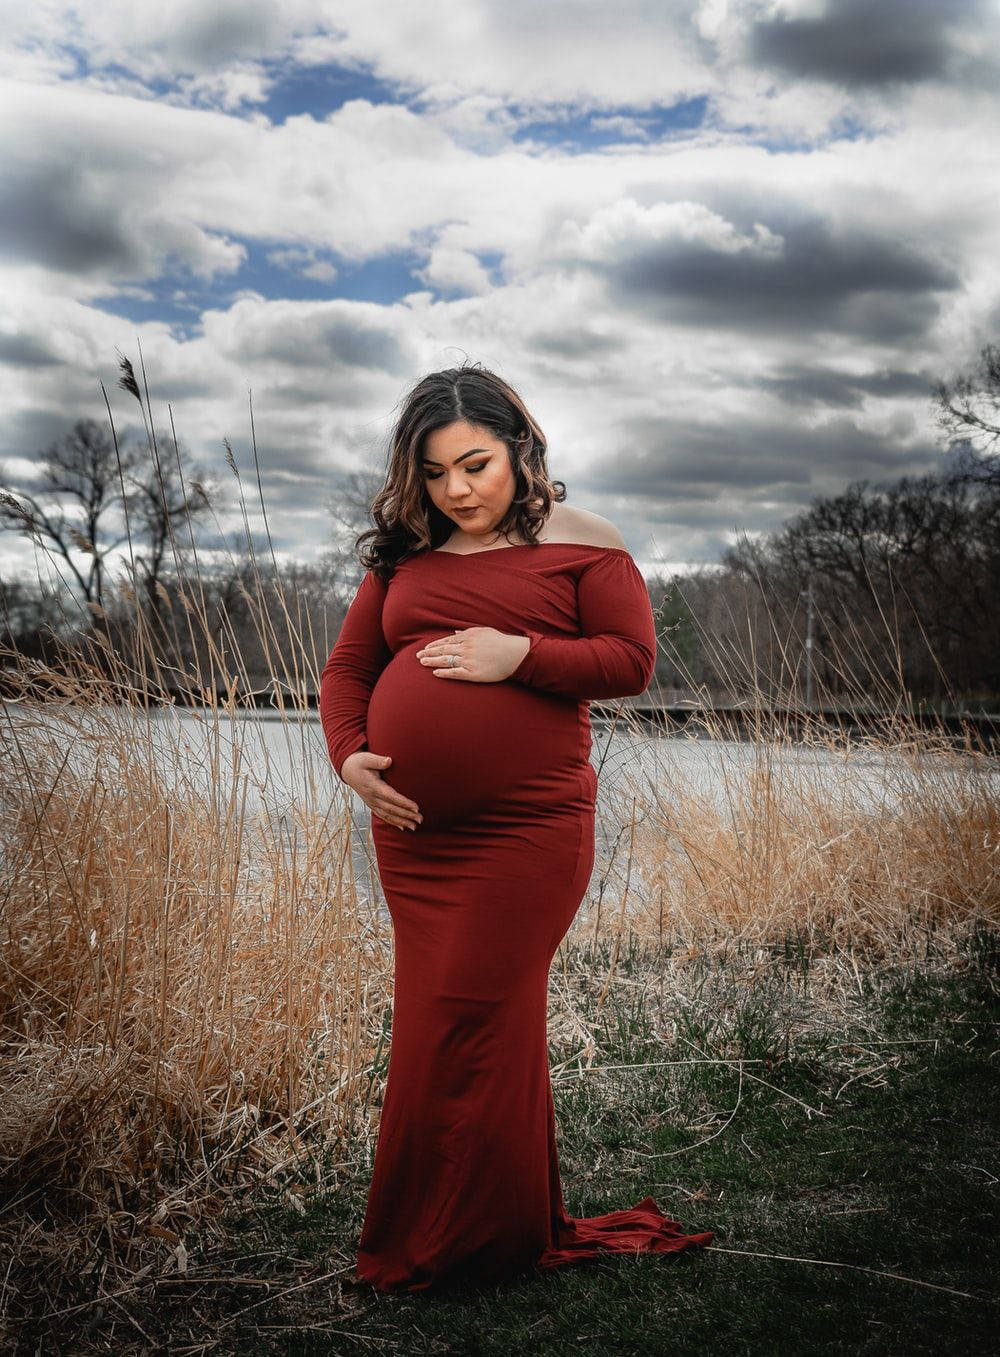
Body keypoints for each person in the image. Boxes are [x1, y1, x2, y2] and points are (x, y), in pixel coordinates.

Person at [319, 364, 714, 1293]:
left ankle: (455, 1245)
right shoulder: (402, 557)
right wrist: (348, 756)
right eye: (435, 473)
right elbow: (347, 672)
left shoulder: (586, 542)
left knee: (468, 1012)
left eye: (475, 464)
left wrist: (520, 654)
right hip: (418, 838)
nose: (457, 490)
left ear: (521, 449)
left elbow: (630, 661)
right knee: (448, 1023)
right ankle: (487, 1230)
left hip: (528, 830)